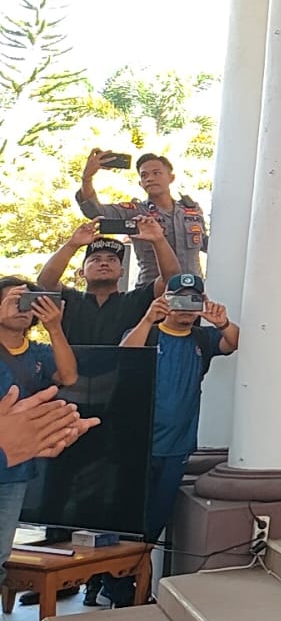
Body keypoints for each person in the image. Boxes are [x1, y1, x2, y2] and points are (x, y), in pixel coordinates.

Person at [105, 274, 237, 606]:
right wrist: (149, 318)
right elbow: (124, 355)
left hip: (177, 446)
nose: (185, 307)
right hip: (137, 445)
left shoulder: (202, 338)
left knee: (155, 522)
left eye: (194, 300)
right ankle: (115, 585)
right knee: (128, 518)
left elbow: (232, 343)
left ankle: (132, 588)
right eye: (178, 298)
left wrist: (222, 323)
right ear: (165, 300)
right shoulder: (148, 333)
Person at [0, 279, 78, 594]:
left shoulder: (38, 353)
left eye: (26, 302)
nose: (20, 309)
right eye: (12, 301)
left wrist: (55, 327)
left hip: (17, 469)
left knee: (0, 554)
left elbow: (69, 376)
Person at [36, 222, 179, 347]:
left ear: (122, 271)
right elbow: (45, 282)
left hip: (125, 375)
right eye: (95, 260)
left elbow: (171, 280)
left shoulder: (136, 300)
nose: (104, 263)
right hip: (72, 375)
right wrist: (72, 244)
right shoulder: (69, 299)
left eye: (112, 259)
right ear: (81, 272)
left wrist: (158, 239)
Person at [78, 151, 207, 286]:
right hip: (150, 292)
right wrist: (87, 178)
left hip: (192, 289)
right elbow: (94, 211)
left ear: (171, 178)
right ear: (141, 183)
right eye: (144, 175)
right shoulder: (135, 211)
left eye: (156, 173)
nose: (150, 178)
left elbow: (209, 245)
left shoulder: (192, 211)